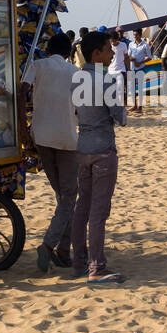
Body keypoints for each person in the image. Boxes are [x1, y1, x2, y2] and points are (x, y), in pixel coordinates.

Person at [19, 32, 79, 273]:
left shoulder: (37, 65)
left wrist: (23, 129)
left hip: (41, 137)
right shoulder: (74, 72)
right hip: (66, 138)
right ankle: (49, 245)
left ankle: (64, 252)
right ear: (68, 52)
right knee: (68, 196)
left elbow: (21, 93)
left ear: (47, 50)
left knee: (63, 196)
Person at [70, 32, 126, 283]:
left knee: (82, 206)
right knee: (98, 211)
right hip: (103, 149)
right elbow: (120, 118)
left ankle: (79, 262)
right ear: (96, 54)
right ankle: (97, 266)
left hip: (83, 147)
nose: (112, 53)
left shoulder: (76, 79)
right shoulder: (106, 82)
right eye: (107, 50)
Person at [127, 30, 150, 114]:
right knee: (132, 88)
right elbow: (128, 55)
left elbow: (149, 57)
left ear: (140, 35)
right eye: (134, 35)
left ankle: (140, 107)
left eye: (136, 35)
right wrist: (131, 59)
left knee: (140, 89)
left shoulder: (145, 45)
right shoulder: (130, 44)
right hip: (132, 68)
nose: (135, 36)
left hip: (141, 68)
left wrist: (140, 62)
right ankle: (134, 106)